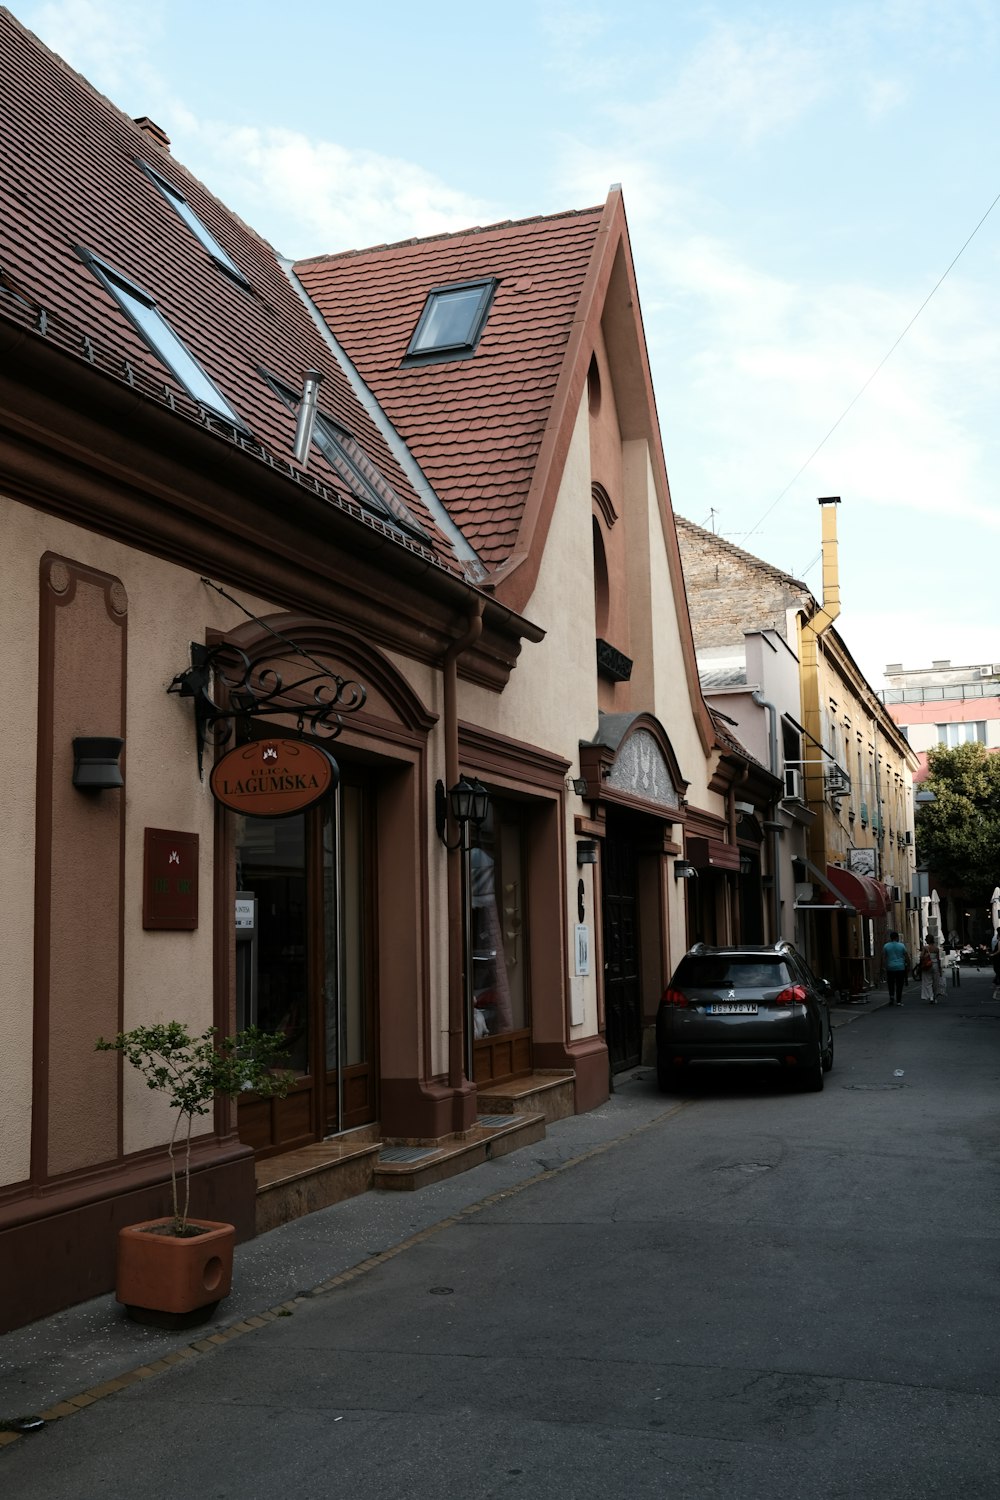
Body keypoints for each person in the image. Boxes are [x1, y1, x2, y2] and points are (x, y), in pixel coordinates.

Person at [882, 930, 910, 1006]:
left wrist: (884, 967)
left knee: (891, 983)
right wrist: (908, 966)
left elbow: (884, 957)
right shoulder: (901, 946)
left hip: (890, 967)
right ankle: (898, 1000)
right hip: (900, 967)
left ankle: (891, 997)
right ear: (897, 937)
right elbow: (906, 956)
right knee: (899, 984)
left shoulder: (886, 946)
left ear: (890, 938)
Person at [916, 934, 944, 1004]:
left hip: (927, 965)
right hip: (935, 965)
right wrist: (940, 969)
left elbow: (921, 957)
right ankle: (935, 997)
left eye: (926, 938)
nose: (925, 940)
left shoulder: (925, 948)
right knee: (935, 982)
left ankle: (930, 997)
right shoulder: (936, 949)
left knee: (927, 982)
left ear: (928, 940)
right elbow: (938, 959)